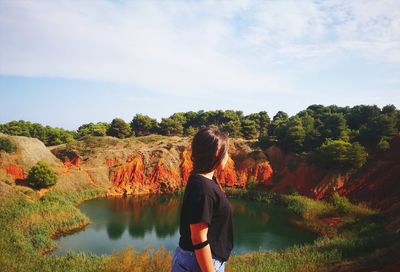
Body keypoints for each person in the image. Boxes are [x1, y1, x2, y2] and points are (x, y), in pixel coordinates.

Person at [172, 126, 234, 272]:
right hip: (198, 264)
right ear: (217, 153)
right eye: (227, 152)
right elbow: (198, 238)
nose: (228, 156)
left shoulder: (200, 180)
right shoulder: (203, 188)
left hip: (195, 261)